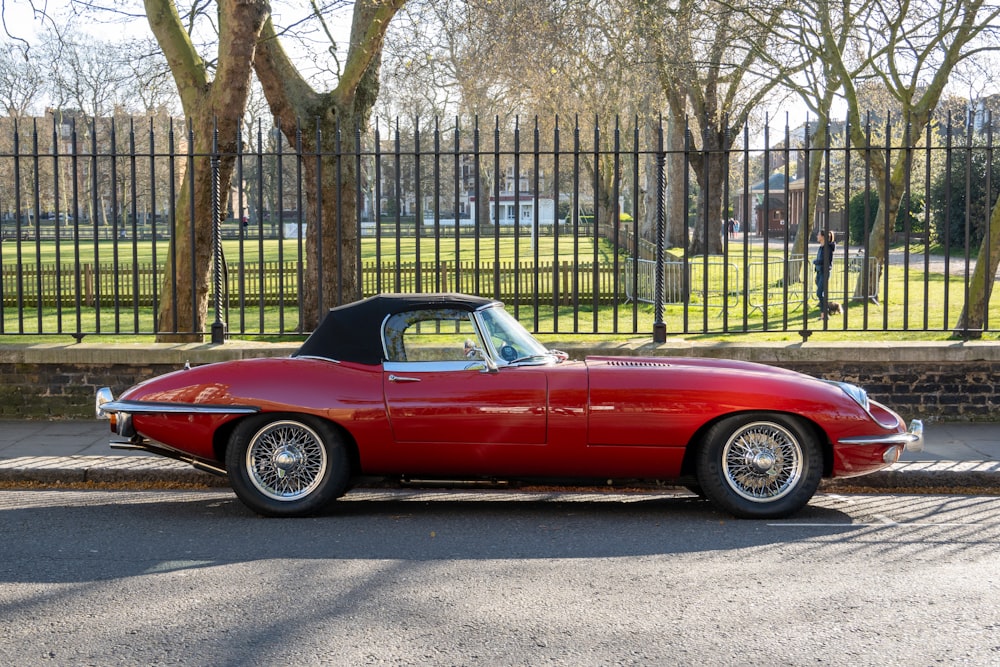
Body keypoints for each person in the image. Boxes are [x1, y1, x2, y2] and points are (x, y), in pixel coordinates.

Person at [813, 229, 836, 316]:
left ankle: (825, 312)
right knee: (821, 293)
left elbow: (826, 260)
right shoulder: (821, 247)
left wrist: (816, 262)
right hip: (819, 272)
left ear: (823, 237)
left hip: (825, 272)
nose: (817, 236)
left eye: (818, 235)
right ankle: (825, 312)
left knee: (819, 293)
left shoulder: (827, 248)